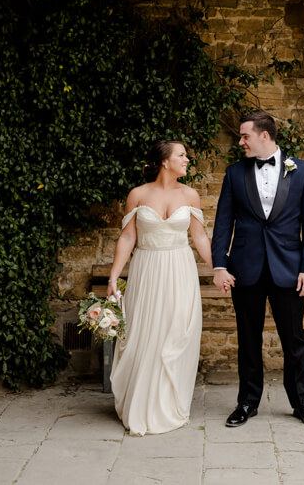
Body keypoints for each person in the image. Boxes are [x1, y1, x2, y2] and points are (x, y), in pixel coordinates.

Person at [211, 110, 304, 429]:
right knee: (248, 339)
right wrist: (220, 264)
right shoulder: (234, 173)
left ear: (265, 136)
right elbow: (223, 222)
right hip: (245, 268)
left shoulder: (302, 172)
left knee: (295, 340)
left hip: (288, 270)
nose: (240, 141)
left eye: (245, 135)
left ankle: (302, 403)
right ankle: (247, 401)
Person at [106, 140, 208, 436]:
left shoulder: (191, 195)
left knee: (176, 334)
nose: (187, 159)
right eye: (182, 155)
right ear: (165, 161)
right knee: (144, 334)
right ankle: (141, 404)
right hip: (147, 269)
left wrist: (218, 268)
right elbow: (127, 238)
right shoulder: (137, 194)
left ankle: (168, 404)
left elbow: (199, 237)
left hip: (180, 269)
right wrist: (114, 276)